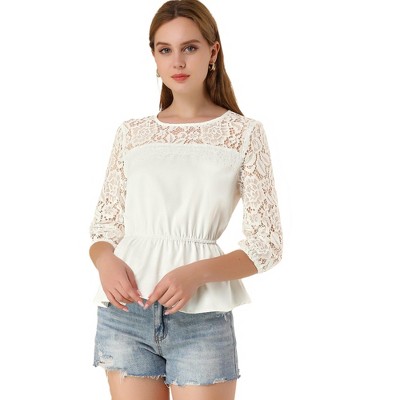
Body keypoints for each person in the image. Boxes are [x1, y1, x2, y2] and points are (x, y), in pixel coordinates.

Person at [89, 1, 283, 399]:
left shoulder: (243, 134)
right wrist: (106, 261)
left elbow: (267, 245)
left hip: (201, 319)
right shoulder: (132, 133)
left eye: (190, 47)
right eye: (165, 49)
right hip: (125, 314)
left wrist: (195, 274)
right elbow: (105, 227)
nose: (177, 61)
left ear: (213, 52)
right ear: (154, 57)